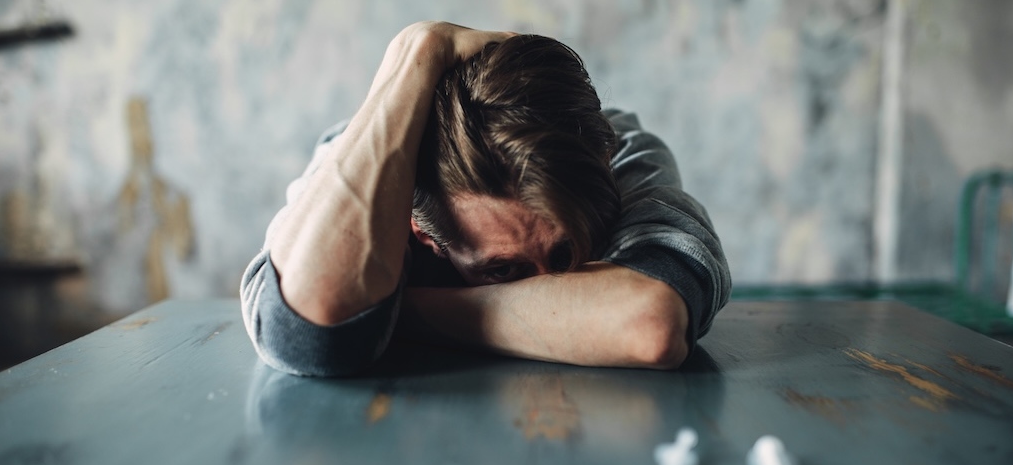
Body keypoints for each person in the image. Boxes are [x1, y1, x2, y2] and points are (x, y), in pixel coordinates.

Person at [239, 21, 731, 377]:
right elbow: (305, 335)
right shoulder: (360, 176)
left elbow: (650, 325)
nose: (547, 286)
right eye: (503, 269)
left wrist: (393, 313)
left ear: (605, 164)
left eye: (565, 253)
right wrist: (419, 48)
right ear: (419, 230)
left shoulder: (620, 150)